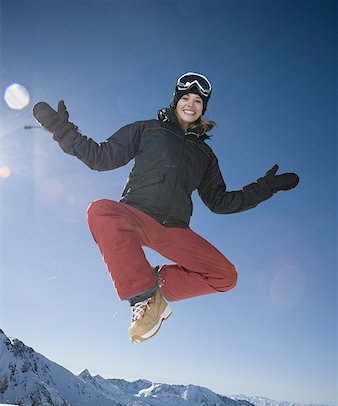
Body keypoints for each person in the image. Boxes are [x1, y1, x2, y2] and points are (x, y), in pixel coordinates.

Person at [32, 72, 299, 344]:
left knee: (226, 276)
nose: (191, 104)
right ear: (175, 101)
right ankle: (144, 299)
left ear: (203, 108)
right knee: (100, 210)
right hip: (135, 215)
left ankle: (157, 285)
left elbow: (220, 202)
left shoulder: (205, 156)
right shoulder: (147, 130)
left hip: (174, 228)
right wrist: (62, 129)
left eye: (198, 101)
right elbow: (100, 158)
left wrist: (266, 187)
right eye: (186, 98)